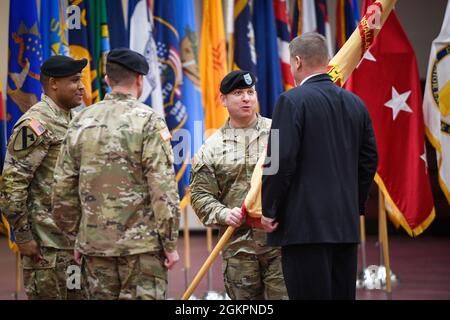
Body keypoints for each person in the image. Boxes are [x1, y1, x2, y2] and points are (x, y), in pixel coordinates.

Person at [51, 48, 181, 300]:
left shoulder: (81, 120)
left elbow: (62, 187)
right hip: (142, 250)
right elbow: (162, 189)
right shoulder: (149, 121)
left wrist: (77, 237)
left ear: (108, 80)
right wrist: (170, 244)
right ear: (140, 80)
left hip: (95, 246)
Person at [261, 32, 378, 300]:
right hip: (344, 227)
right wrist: (354, 203)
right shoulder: (356, 103)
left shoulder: (290, 101)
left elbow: (280, 159)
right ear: (325, 61)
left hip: (304, 229)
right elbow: (369, 159)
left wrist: (270, 208)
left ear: (298, 62)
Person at [190, 70, 288, 300]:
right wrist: (223, 213)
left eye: (250, 92)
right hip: (238, 250)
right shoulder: (211, 147)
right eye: (238, 93)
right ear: (223, 100)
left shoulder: (279, 134)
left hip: (280, 246)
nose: (246, 98)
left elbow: (299, 181)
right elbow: (199, 194)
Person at [0, 55, 88, 299]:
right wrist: (24, 237)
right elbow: (11, 186)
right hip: (46, 246)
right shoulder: (35, 124)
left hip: (73, 243)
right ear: (53, 84)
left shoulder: (72, 120)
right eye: (74, 80)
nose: (82, 86)